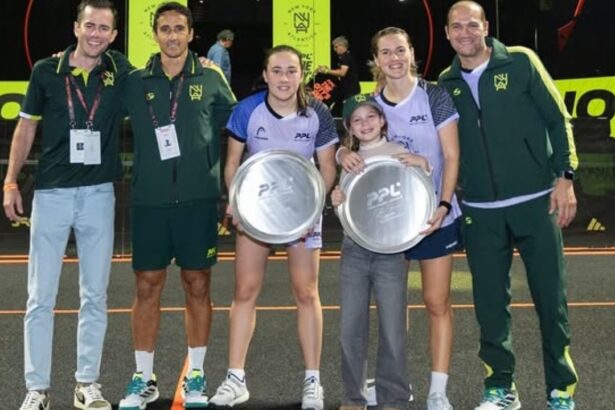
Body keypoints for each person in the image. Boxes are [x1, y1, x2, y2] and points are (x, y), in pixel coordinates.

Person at [438, 2, 579, 410]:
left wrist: (565, 176)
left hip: (537, 202)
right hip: (480, 210)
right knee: (490, 308)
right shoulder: (444, 83)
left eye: (472, 24)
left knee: (551, 302)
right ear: (446, 33)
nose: (465, 32)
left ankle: (561, 390)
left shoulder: (521, 62)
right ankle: (501, 388)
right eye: (456, 27)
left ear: (485, 26)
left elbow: (558, 119)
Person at [2, 1, 130, 409]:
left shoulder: (120, 70)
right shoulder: (46, 71)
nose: (96, 34)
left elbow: (161, 73)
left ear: (113, 35)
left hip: (98, 195)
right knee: (40, 296)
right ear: (76, 27)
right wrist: (10, 181)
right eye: (89, 25)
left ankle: (86, 384)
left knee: (95, 295)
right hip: (52, 194)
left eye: (104, 28)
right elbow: (26, 127)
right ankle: (36, 390)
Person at [116, 3, 236, 409]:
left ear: (190, 34)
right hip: (150, 200)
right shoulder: (134, 82)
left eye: (179, 28)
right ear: (155, 34)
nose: (172, 35)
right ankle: (143, 377)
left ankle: (196, 374)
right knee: (146, 285)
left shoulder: (211, 78)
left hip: (198, 201)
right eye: (164, 29)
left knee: (197, 284)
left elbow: (239, 128)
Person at [208, 45, 338, 410]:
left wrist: (311, 209)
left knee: (306, 292)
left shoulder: (318, 112)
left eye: (291, 71)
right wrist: (238, 202)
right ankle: (236, 378)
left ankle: (312, 381)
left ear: (301, 75)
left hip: (302, 214)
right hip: (257, 211)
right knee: (245, 290)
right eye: (277, 71)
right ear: (265, 75)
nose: (284, 78)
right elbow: (233, 163)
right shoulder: (247, 109)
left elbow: (328, 167)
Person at [338, 27, 461, 410]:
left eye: (400, 50)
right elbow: (350, 142)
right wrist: (342, 155)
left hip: (433, 215)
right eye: (386, 52)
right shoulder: (371, 104)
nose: (394, 58)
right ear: (375, 59)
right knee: (391, 309)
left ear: (411, 53)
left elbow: (451, 156)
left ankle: (437, 390)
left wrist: (443, 205)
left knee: (436, 302)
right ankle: (395, 384)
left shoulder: (434, 95)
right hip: (388, 220)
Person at [332, 97, 430, 410]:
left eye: (371, 117)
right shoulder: (349, 159)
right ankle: (353, 397)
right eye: (357, 120)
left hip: (390, 254)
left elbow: (418, 191)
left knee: (393, 329)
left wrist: (423, 163)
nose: (365, 124)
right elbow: (350, 210)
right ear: (349, 128)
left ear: (382, 120)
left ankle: (395, 397)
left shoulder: (398, 152)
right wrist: (337, 199)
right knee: (350, 329)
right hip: (354, 252)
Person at [317, 36, 361, 116]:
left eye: (336, 47)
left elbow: (342, 73)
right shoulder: (343, 57)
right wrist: (327, 69)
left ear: (342, 45)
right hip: (344, 90)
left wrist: (326, 71)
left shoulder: (346, 57)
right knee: (336, 110)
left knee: (346, 111)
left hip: (350, 90)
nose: (334, 49)